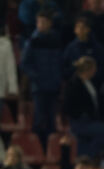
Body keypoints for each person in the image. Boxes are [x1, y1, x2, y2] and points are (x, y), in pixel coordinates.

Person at [21, 11, 65, 150]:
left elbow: (60, 62)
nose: (41, 25)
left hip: (53, 86)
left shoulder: (56, 40)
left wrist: (58, 78)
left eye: (44, 22)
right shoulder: (32, 41)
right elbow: (24, 64)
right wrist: (36, 76)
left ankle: (50, 151)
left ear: (50, 23)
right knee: (39, 119)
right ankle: (37, 150)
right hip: (39, 87)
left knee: (52, 121)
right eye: (39, 22)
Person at [63, 56, 104, 158]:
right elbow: (69, 105)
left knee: (85, 143)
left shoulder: (90, 82)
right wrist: (83, 114)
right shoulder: (73, 84)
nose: (96, 70)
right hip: (79, 122)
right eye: (94, 68)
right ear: (88, 70)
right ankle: (89, 158)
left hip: (91, 120)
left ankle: (84, 159)